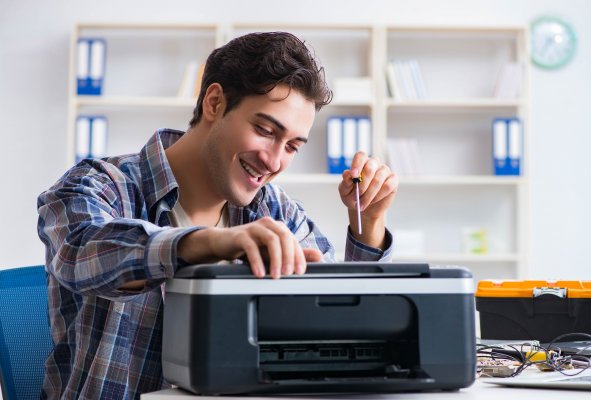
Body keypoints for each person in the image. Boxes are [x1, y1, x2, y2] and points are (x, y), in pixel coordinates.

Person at [37, 31, 398, 399]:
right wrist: (207, 243)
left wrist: (368, 224)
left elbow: (341, 315)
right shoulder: (99, 185)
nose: (274, 161)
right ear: (214, 103)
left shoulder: (273, 209)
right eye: (264, 130)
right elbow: (81, 253)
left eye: (291, 146)